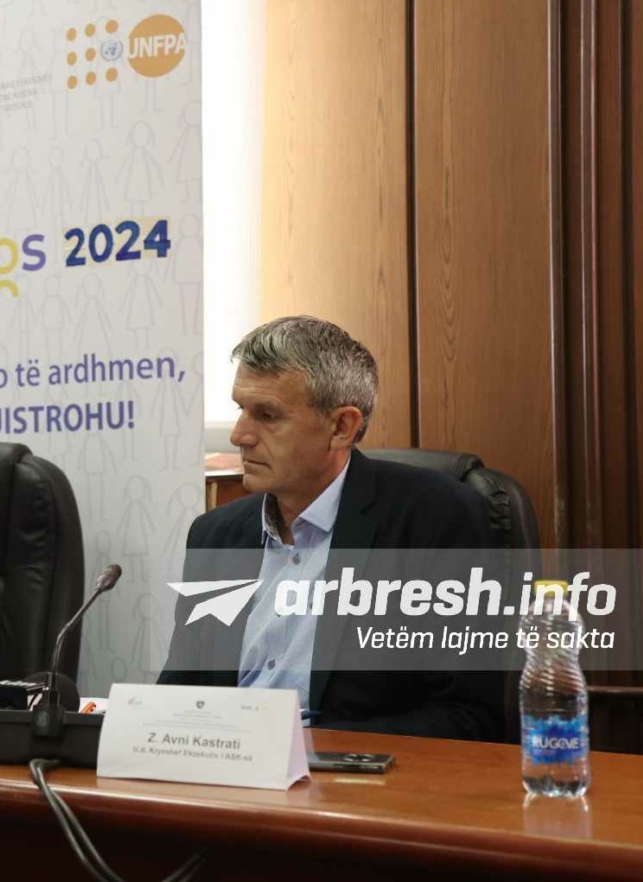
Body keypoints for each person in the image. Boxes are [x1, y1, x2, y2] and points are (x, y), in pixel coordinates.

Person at [159, 316, 504, 741]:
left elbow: (469, 716)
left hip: (353, 774)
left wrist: (304, 747)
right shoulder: (215, 535)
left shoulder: (434, 519)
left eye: (267, 415)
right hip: (227, 770)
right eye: (240, 410)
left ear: (341, 427)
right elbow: (181, 692)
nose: (239, 435)